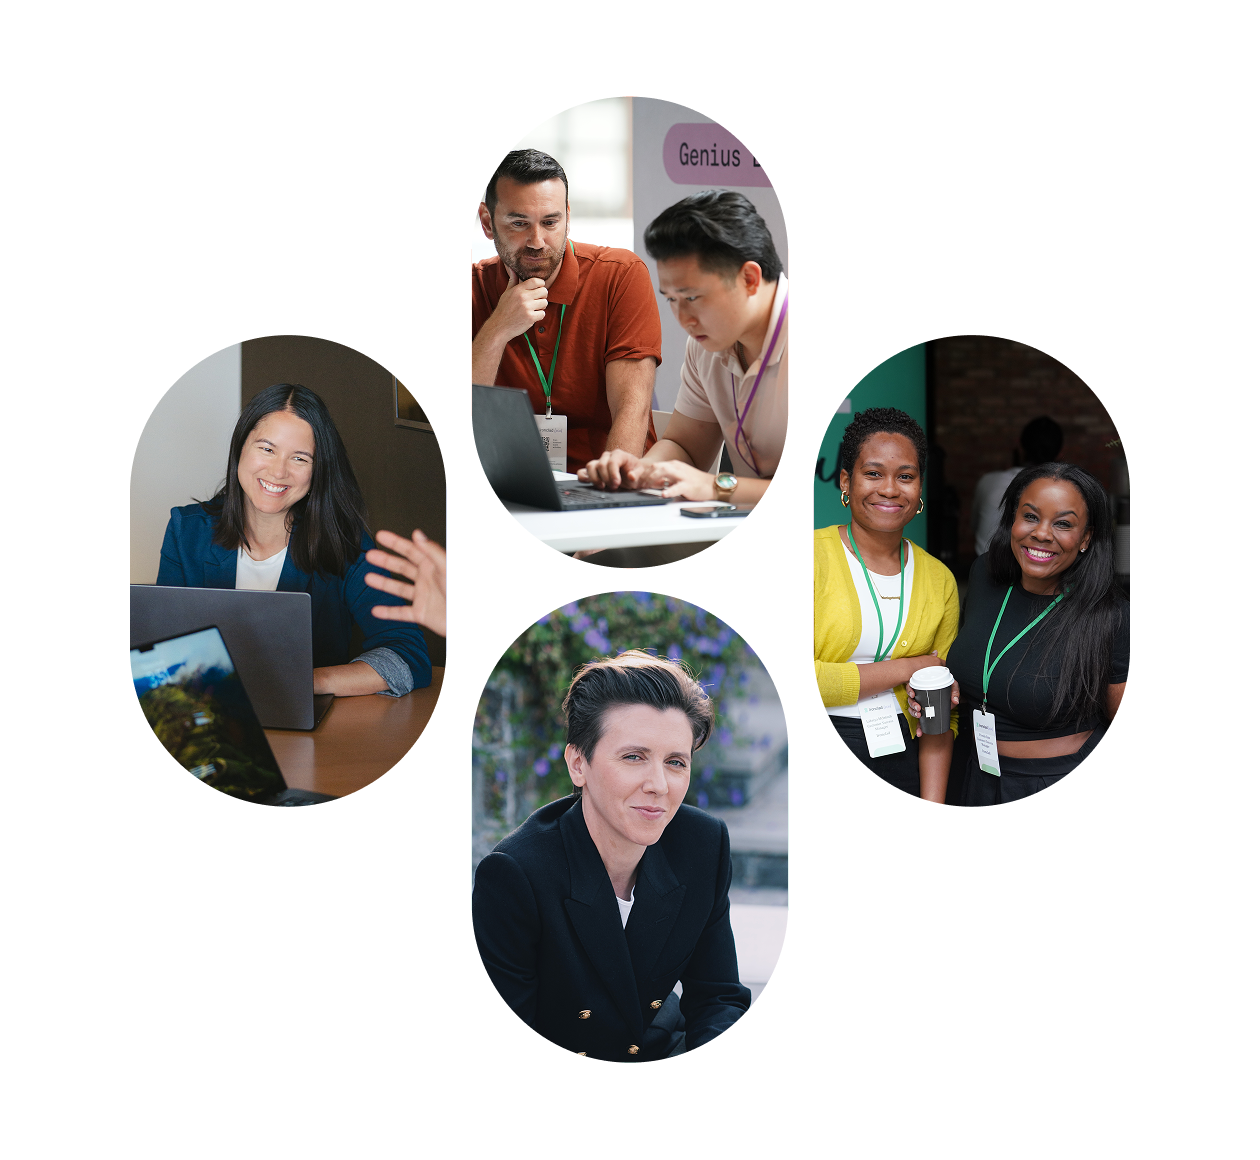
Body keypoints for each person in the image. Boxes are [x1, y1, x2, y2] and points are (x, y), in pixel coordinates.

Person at [472, 650, 750, 1061]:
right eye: (634, 757)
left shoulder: (702, 844)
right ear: (578, 764)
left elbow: (718, 997)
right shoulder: (516, 875)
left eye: (675, 762)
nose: (659, 785)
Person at [157, 383, 430, 696]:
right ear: (240, 447)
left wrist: (306, 682)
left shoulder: (346, 545)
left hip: (309, 718)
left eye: (300, 458)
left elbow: (409, 656)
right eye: (267, 449)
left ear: (318, 470)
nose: (278, 472)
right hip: (209, 713)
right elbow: (162, 646)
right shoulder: (186, 530)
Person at [909, 462, 1129, 806]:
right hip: (975, 775)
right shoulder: (985, 574)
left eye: (1063, 523)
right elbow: (988, 666)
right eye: (1030, 516)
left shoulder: (1110, 614)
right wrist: (949, 693)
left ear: (1086, 538)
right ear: (1012, 519)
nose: (1041, 533)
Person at [579, 191, 786, 518]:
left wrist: (716, 488)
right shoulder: (706, 345)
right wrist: (640, 471)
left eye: (691, 297)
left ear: (749, 279)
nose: (683, 319)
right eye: (671, 299)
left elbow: (833, 487)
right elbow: (686, 447)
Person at [471, 149, 662, 476]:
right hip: (510, 481)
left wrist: (610, 488)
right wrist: (498, 329)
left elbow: (632, 406)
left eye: (550, 222)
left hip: (602, 481)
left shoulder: (620, 274)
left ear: (568, 218)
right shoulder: (475, 286)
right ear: (488, 222)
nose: (537, 241)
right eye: (519, 223)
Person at [813, 408, 960, 803]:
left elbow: (940, 710)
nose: (891, 489)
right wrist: (910, 667)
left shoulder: (940, 581)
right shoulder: (814, 558)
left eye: (906, 476)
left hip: (903, 755)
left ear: (920, 486)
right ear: (846, 481)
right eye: (874, 473)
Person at [971, 416, 1063, 557]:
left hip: (983, 564)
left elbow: (974, 527)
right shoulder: (1062, 491)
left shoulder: (988, 482)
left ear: (1020, 445)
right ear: (1060, 453)